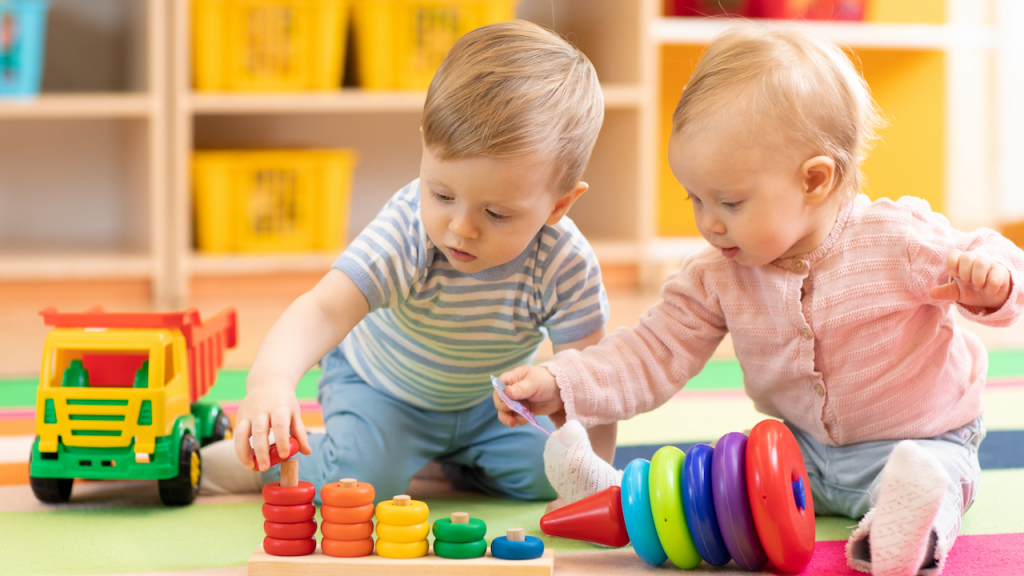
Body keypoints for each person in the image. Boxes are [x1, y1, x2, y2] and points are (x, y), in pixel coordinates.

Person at [495, 23, 1024, 576]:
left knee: (934, 482)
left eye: (729, 201)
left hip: (920, 440)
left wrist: (993, 280)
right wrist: (563, 382)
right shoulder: (718, 275)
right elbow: (651, 351)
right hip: (797, 454)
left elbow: (992, 259)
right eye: (695, 198)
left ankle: (896, 537)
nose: (708, 223)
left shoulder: (897, 239)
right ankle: (616, 499)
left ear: (814, 181)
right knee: (714, 496)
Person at [197, 20, 618, 504]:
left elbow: (588, 382)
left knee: (552, 473)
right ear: (424, 148)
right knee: (360, 486)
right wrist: (270, 381)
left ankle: (454, 461)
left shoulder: (566, 262)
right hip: (382, 391)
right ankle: (263, 466)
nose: (461, 227)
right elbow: (321, 310)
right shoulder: (406, 234)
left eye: (497, 213)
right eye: (441, 193)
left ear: (559, 206)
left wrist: (593, 479)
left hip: (489, 404)